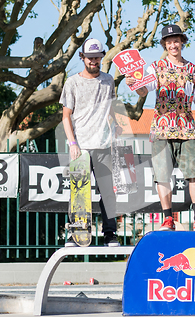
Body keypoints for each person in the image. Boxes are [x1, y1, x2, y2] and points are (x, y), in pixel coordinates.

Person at [126, 24, 195, 231]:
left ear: (182, 42)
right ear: (164, 44)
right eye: (169, 41)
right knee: (162, 176)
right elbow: (144, 90)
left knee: (194, 174)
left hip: (187, 128)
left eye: (176, 41)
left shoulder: (192, 69)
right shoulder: (155, 67)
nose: (173, 45)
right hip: (162, 128)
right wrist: (134, 84)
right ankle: (167, 219)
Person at [61, 38, 121, 247]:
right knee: (79, 191)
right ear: (82, 58)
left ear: (102, 57)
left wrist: (115, 133)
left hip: (104, 145)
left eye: (97, 57)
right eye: (90, 58)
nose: (94, 61)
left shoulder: (108, 81)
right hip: (81, 146)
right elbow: (66, 116)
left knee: (108, 192)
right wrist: (72, 143)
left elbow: (110, 110)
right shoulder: (72, 82)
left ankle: (110, 234)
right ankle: (76, 232)